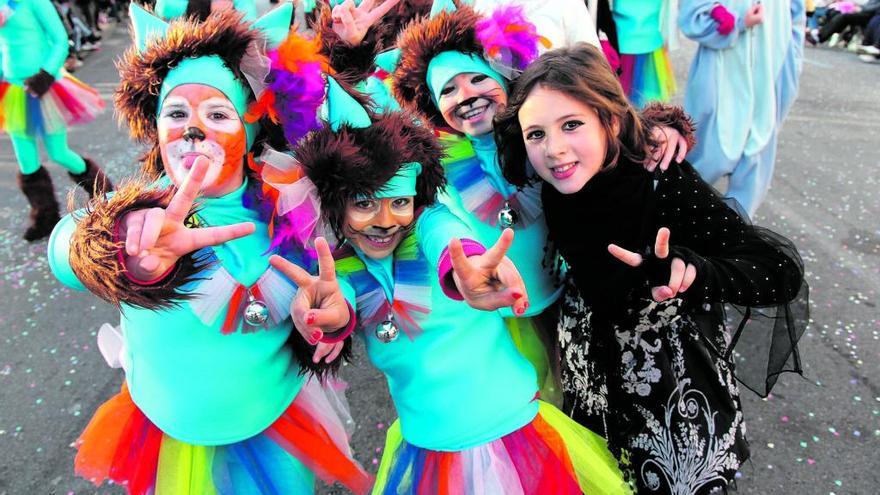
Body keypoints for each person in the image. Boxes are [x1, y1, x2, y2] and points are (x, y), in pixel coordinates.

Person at [46, 5, 372, 494]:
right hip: (169, 426)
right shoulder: (142, 211)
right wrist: (117, 243)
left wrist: (334, 312)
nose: (192, 130)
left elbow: (331, 279)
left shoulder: (290, 206)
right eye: (176, 113)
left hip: (272, 420)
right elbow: (64, 247)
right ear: (155, 127)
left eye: (217, 114)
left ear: (250, 131)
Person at [269, 77, 632, 494]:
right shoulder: (341, 266)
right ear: (335, 206)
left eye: (399, 201)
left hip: (510, 432)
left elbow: (450, 239)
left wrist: (470, 268)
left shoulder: (427, 224)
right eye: (364, 203)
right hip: (429, 446)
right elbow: (341, 302)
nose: (385, 220)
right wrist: (330, 318)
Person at [494, 43, 809, 494]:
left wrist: (693, 269)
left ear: (611, 121)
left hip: (672, 402)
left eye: (572, 125)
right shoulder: (551, 188)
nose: (555, 149)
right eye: (536, 134)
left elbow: (778, 270)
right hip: (591, 393)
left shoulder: (660, 180)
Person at [392, 3, 691, 406]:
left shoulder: (537, 138)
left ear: (503, 76)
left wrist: (659, 125)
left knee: (580, 394)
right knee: (529, 406)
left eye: (478, 78)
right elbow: (435, 219)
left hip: (570, 296)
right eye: (447, 89)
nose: (466, 96)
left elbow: (595, 107)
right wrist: (459, 256)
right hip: (498, 318)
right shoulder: (438, 163)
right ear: (432, 105)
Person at [680, 0, 805, 218]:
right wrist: (738, 23)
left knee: (751, 180)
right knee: (703, 163)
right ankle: (669, 229)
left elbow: (795, 19)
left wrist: (792, 63)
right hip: (721, 74)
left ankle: (729, 241)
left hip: (770, 78)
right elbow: (692, 18)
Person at [0, 0, 112, 241]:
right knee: (26, 161)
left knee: (58, 152)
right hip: (14, 92)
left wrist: (46, 75)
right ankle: (44, 216)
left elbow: (60, 41)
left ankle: (103, 193)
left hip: (44, 88)